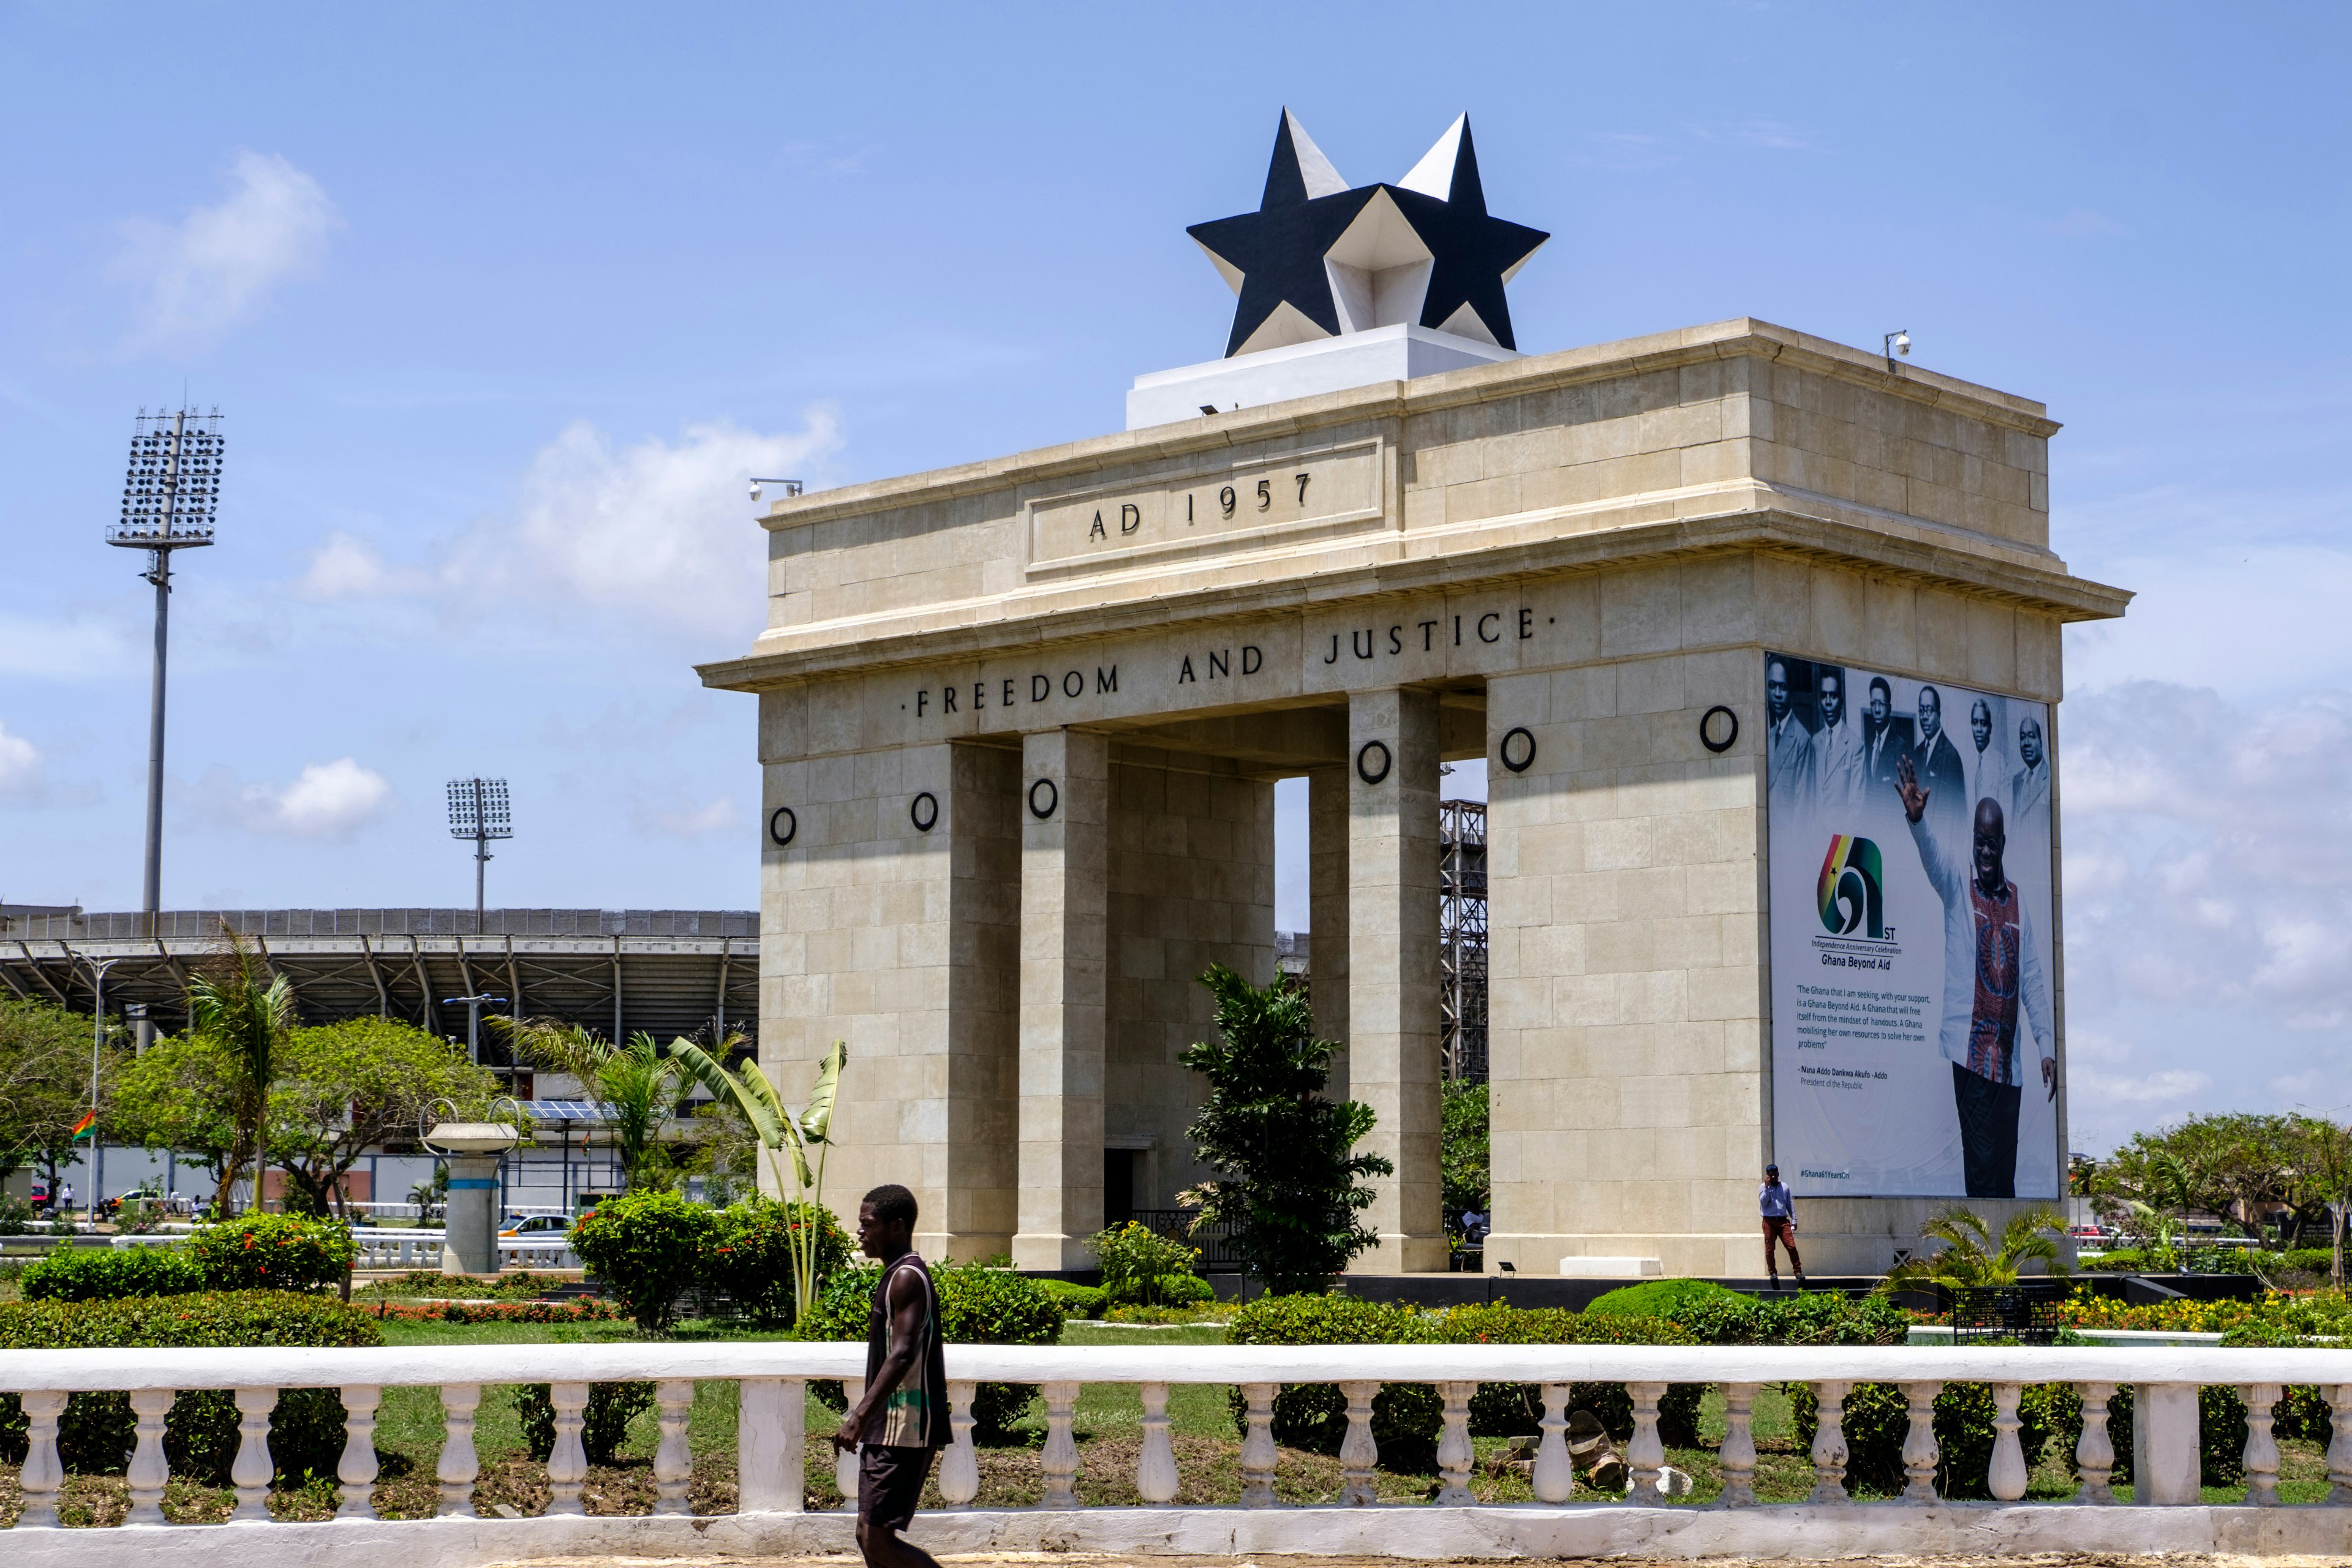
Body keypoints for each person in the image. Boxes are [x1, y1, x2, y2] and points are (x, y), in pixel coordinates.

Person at [1895, 753, 2056, 1199]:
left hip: (2009, 1065)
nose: (1985, 852)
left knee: (2003, 1174)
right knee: (1980, 1168)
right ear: (1973, 841)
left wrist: (2046, 1046)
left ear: (2003, 844)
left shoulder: (2019, 901)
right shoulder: (1956, 884)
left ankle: (2004, 1264)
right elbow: (1931, 859)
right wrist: (1918, 822)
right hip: (1969, 1057)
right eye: (1979, 842)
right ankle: (1982, 1259)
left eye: (1993, 843)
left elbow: (2034, 981)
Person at [831, 1184, 950, 1568]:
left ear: (897, 1226)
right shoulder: (896, 1275)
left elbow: (902, 1355)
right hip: (890, 1426)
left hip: (907, 1428)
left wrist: (859, 1416)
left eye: (868, 1224)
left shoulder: (907, 1278)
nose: (861, 1232)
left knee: (877, 1539)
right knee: (869, 1535)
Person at [1807, 666, 1865, 814]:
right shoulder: (1815, 742)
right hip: (1813, 835)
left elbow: (1856, 807)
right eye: (1824, 696)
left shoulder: (1855, 745)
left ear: (1841, 701)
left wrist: (1841, 838)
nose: (1828, 702)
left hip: (1841, 835)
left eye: (1833, 696)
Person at [1909, 686, 1966, 831]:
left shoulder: (1951, 756)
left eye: (1930, 710)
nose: (1925, 716)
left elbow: (1959, 814)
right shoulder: (1917, 752)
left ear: (1939, 715)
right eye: (1922, 710)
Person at [1765, 658, 1814, 812]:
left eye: (1783, 687)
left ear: (1791, 691)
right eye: (1772, 686)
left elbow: (1802, 804)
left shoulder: (1802, 738)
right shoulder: (1769, 735)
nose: (1778, 694)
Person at [1861, 676, 1914, 794]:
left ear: (1889, 708)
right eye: (1873, 704)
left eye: (1881, 704)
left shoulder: (1900, 747)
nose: (1877, 710)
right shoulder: (1869, 745)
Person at [1960, 697, 2009, 818]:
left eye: (1983, 723)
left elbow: (2006, 811)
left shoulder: (2001, 764)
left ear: (1990, 728)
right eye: (1975, 723)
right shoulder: (1966, 762)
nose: (1979, 729)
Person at [1759, 1164, 1803, 1289]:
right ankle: (1773, 1273)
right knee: (1770, 1248)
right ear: (1767, 1175)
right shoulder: (1762, 1187)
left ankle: (1798, 1272)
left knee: (1791, 1246)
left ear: (1778, 1174)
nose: (1772, 1176)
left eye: (1774, 1174)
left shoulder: (1785, 1187)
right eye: (1770, 1174)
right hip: (1769, 1221)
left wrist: (1794, 1219)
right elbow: (1764, 1202)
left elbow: (1790, 1204)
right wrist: (1767, 1187)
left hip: (1783, 1221)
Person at [2008, 715, 2051, 834]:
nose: (2026, 743)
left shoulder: (2050, 778)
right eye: (2023, 737)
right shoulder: (2017, 780)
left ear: (2040, 742)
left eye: (2031, 736)